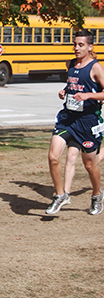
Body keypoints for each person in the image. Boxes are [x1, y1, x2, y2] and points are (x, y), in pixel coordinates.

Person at [46, 29, 104, 215]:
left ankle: (97, 195)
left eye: (81, 45)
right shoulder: (70, 64)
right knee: (53, 157)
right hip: (67, 119)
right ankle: (60, 195)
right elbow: (74, 83)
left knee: (89, 165)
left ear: (90, 46)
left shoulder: (96, 67)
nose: (76, 48)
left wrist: (88, 95)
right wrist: (65, 91)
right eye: (75, 44)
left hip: (88, 121)